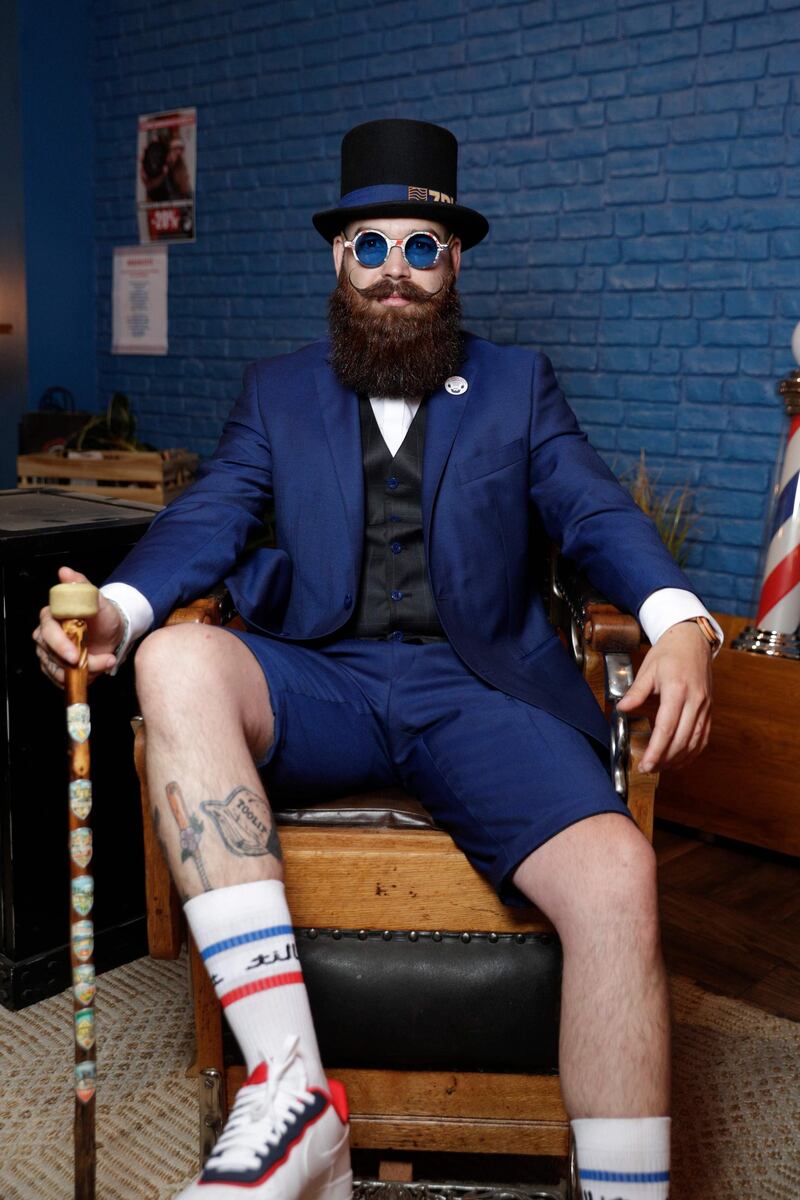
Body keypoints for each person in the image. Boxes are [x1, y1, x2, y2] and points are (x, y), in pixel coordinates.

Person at [35, 119, 719, 1200]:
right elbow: (209, 517)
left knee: (618, 877)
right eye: (370, 247)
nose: (392, 272)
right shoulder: (277, 391)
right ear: (336, 260)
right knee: (173, 658)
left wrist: (676, 615)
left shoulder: (515, 385)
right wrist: (118, 609)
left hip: (474, 691)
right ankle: (293, 1090)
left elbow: (591, 513)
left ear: (453, 264)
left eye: (419, 248)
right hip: (322, 679)